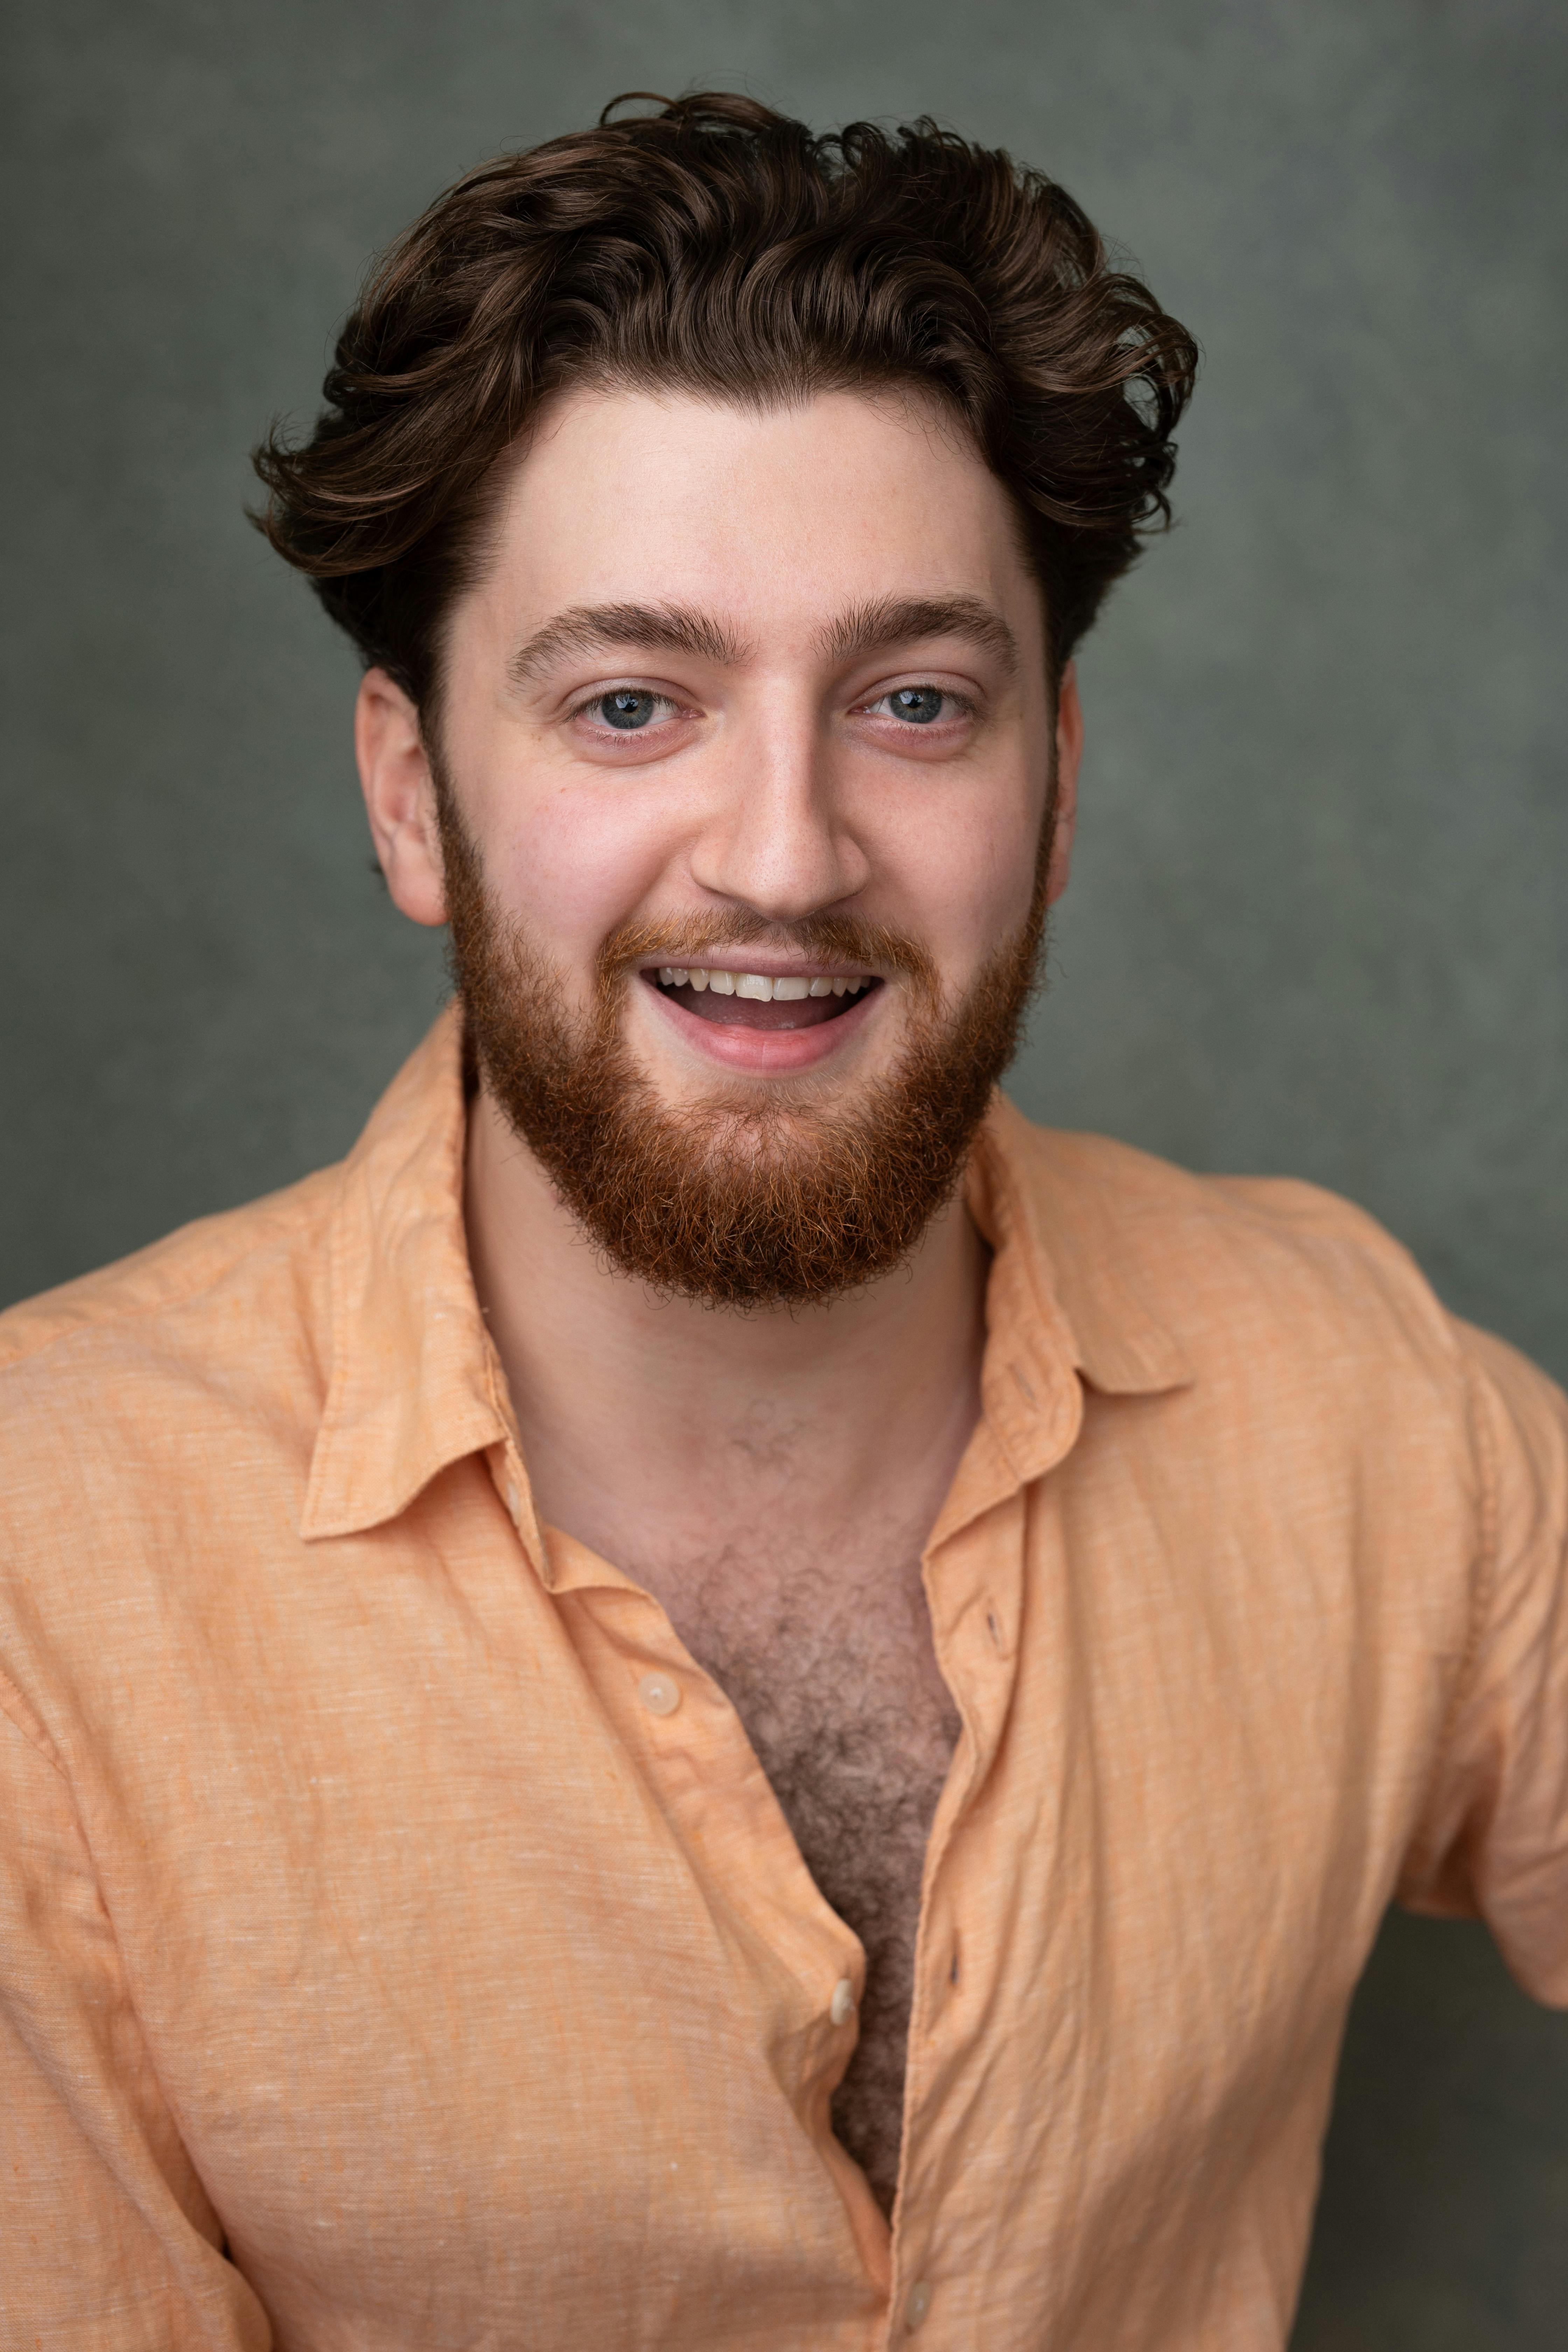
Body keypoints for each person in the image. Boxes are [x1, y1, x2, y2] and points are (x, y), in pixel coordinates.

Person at [0, 89, 1562, 2352]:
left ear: (1054, 791)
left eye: (914, 701)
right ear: (414, 797)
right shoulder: (42, 1578)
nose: (784, 854)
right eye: (633, 703)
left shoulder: (1361, 1397)